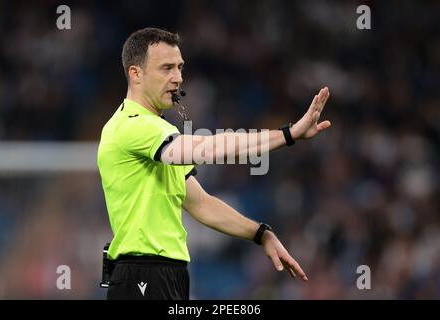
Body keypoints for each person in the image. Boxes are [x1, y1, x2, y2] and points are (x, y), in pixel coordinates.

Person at [97, 27, 331, 300]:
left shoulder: (155, 131)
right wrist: (288, 134)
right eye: (166, 68)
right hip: (142, 276)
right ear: (136, 74)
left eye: (180, 68)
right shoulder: (131, 125)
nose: (178, 78)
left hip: (167, 274)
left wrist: (261, 233)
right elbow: (208, 148)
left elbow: (201, 204)